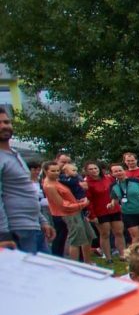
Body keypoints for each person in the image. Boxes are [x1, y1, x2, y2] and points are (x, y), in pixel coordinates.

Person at [0, 111, 53, 253]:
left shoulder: (14, 154)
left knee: (45, 266)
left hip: (33, 226)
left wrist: (42, 221)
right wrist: (3, 234)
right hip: (16, 229)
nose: (4, 126)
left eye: (6, 122)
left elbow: (26, 191)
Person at [42, 161, 96, 264]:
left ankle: (87, 261)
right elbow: (62, 204)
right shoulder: (49, 185)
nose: (56, 173)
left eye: (58, 170)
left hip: (77, 210)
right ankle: (74, 264)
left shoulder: (58, 180)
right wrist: (82, 205)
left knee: (88, 235)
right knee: (76, 240)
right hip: (69, 213)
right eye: (52, 171)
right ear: (45, 171)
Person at [84, 161, 125, 261]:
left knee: (119, 233)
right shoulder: (87, 183)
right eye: (91, 169)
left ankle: (123, 255)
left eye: (95, 168)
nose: (94, 171)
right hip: (100, 212)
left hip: (114, 209)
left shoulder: (108, 178)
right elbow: (88, 201)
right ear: (87, 171)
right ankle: (108, 257)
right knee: (105, 234)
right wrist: (92, 215)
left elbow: (116, 191)